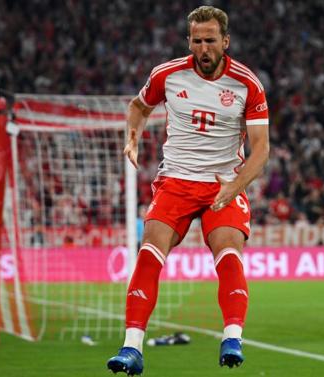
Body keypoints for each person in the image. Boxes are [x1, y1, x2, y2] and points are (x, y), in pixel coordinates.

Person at [107, 5, 270, 375]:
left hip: (222, 183)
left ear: (224, 42)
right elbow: (138, 106)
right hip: (177, 181)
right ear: (189, 41)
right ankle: (132, 347)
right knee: (149, 249)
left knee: (228, 251)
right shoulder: (167, 74)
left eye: (210, 40)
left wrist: (237, 184)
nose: (203, 48)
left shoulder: (247, 84)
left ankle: (232, 338)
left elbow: (261, 148)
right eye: (196, 41)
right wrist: (132, 137)